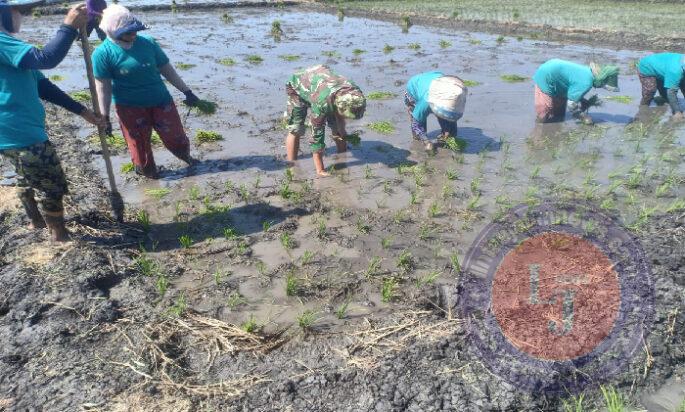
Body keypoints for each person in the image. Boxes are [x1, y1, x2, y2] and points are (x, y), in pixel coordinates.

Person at [0, 0, 104, 241]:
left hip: (13, 129)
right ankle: (58, 235)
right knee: (52, 183)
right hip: (18, 130)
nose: (21, 16)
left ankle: (36, 222)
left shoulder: (10, 47)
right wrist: (68, 26)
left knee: (25, 175)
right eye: (18, 11)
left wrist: (81, 111)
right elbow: (46, 58)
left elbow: (42, 85)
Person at [92, 5, 200, 179]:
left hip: (161, 102)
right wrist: (104, 116)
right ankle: (148, 174)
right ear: (112, 31)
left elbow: (166, 69)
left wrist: (187, 91)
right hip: (130, 108)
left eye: (135, 30)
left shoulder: (148, 43)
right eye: (128, 32)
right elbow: (103, 86)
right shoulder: (102, 53)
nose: (133, 35)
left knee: (176, 138)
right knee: (140, 148)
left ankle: (187, 158)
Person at [284, 64, 366, 176]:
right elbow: (317, 136)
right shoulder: (322, 103)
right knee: (296, 129)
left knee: (337, 126)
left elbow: (342, 114)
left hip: (324, 86)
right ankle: (292, 165)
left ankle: (342, 156)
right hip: (298, 86)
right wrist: (320, 170)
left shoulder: (355, 93)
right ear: (338, 106)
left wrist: (341, 128)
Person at [533, 59, 619, 125]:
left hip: (558, 79)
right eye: (602, 86)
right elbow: (571, 104)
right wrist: (583, 117)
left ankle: (556, 124)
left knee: (560, 114)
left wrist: (583, 101)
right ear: (601, 81)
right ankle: (538, 133)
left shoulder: (587, 72)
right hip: (546, 76)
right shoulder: (587, 82)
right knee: (544, 113)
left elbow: (573, 90)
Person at [405, 71, 467, 151]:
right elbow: (416, 123)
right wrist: (426, 141)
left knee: (449, 125)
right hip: (413, 88)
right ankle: (421, 142)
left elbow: (451, 115)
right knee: (419, 131)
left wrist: (449, 132)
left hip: (435, 78)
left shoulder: (453, 93)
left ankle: (446, 134)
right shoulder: (425, 102)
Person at [637, 53, 685, 121]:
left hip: (662, 68)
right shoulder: (675, 71)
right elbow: (671, 92)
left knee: (668, 91)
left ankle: (664, 98)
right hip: (646, 67)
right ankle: (643, 106)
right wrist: (677, 112)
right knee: (650, 90)